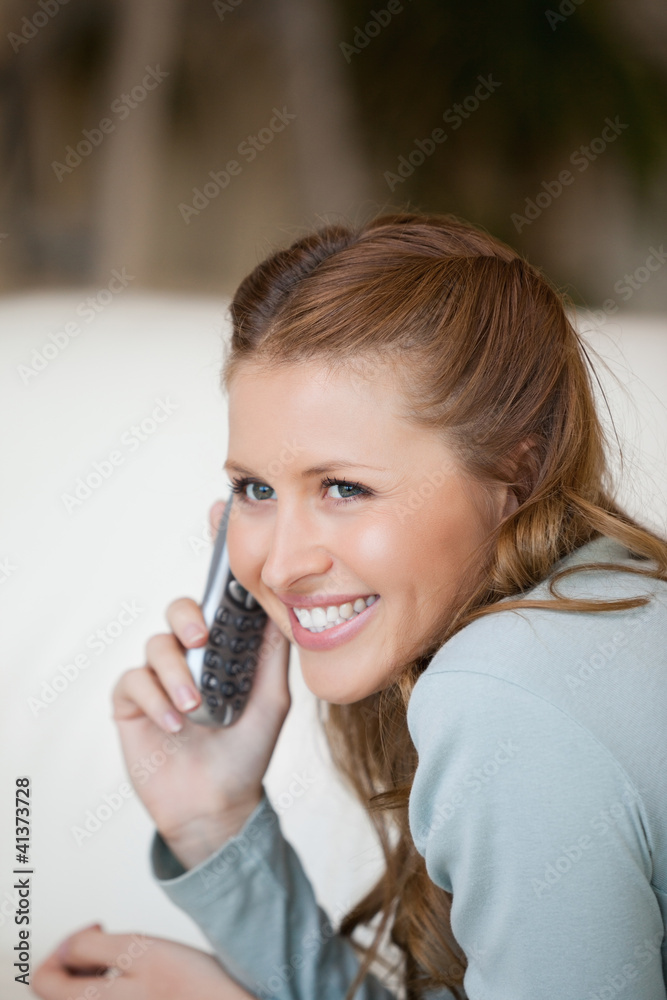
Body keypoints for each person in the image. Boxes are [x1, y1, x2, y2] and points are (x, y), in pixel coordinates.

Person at [33, 212, 667, 1000]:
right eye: (255, 489)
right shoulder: (610, 598)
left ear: (517, 474)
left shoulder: (506, 694)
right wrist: (213, 819)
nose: (283, 564)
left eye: (344, 488)